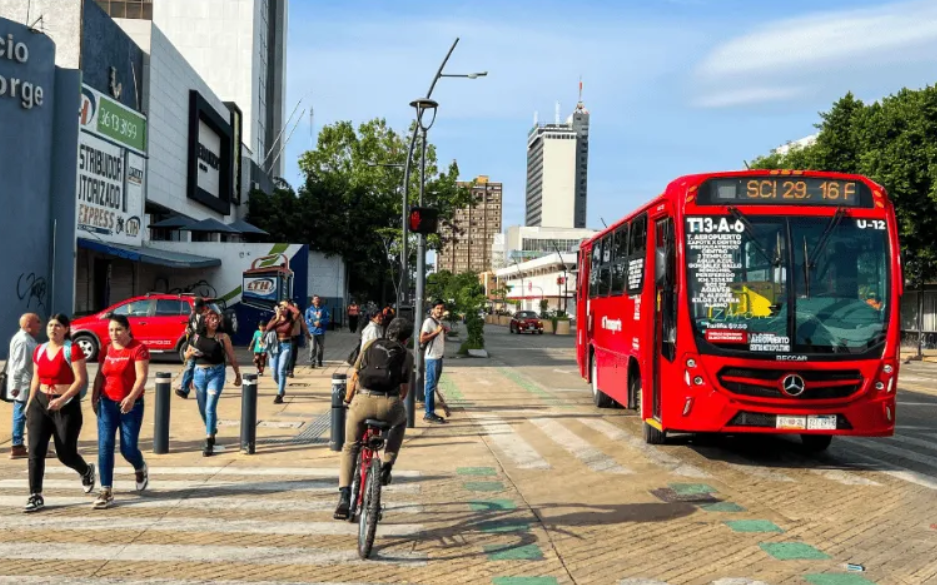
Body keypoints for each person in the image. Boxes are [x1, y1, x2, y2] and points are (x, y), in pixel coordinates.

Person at [334, 317, 413, 520]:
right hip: (390, 404)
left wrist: (347, 399)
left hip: (363, 402)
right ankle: (387, 465)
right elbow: (404, 391)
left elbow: (355, 376)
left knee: (351, 446)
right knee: (401, 421)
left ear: (387, 331)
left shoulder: (370, 344)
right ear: (406, 339)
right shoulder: (406, 354)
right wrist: (393, 402)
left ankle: (344, 497)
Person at [24, 314, 96, 513]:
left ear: (65, 329)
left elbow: (80, 380)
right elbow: (36, 379)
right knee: (35, 450)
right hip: (41, 403)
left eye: (57, 326)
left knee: (65, 453)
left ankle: (86, 470)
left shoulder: (71, 349)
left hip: (66, 405)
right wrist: (29, 405)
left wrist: (62, 400)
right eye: (50, 325)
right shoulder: (39, 350)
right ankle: (35, 494)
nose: (52, 329)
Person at [91, 314, 150, 509]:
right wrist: (94, 396)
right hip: (107, 404)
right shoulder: (106, 348)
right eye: (110, 330)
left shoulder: (138, 348)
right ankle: (106, 490)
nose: (114, 334)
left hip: (132, 405)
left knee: (128, 448)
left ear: (127, 330)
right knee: (105, 445)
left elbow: (141, 377)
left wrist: (132, 397)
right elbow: (101, 374)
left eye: (118, 329)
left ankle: (139, 466)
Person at [186, 308, 242, 456]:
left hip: (216, 374)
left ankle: (209, 439)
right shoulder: (196, 337)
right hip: (198, 374)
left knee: (210, 408)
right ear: (205, 321)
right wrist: (190, 355)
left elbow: (231, 356)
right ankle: (211, 426)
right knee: (202, 408)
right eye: (212, 319)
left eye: (217, 319)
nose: (215, 321)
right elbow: (187, 356)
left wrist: (237, 374)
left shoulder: (223, 337)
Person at [8, 313, 40, 459]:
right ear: (28, 326)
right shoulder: (24, 342)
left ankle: (20, 444)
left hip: (25, 384)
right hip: (25, 385)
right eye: (37, 322)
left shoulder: (26, 339)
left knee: (22, 414)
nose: (40, 325)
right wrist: (16, 385)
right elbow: (20, 366)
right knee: (24, 414)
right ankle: (19, 445)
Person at [420, 300, 448, 424]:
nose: (440, 310)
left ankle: (429, 410)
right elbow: (422, 338)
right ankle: (428, 413)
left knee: (432, 385)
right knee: (430, 386)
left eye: (441, 308)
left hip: (438, 357)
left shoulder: (438, 322)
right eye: (437, 308)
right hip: (432, 358)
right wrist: (437, 331)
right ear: (432, 310)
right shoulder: (428, 322)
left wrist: (442, 331)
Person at [266, 301, 300, 403]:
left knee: (281, 370)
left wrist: (288, 305)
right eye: (281, 308)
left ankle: (279, 394)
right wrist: (277, 318)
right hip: (275, 346)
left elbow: (297, 313)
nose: (283, 310)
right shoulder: (274, 318)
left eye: (284, 308)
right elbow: (267, 328)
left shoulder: (291, 320)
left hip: (286, 345)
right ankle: (281, 387)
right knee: (274, 373)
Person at [176, 298, 208, 399]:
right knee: (190, 367)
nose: (193, 310)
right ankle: (184, 389)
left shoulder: (207, 318)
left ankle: (206, 388)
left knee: (204, 369)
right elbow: (189, 327)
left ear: (202, 308)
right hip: (193, 345)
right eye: (193, 308)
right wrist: (188, 330)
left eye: (196, 308)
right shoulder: (192, 316)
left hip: (204, 347)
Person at [287, 299, 312, 378]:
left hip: (294, 337)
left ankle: (290, 370)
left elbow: (303, 324)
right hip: (284, 337)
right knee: (286, 354)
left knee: (293, 355)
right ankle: (285, 369)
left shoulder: (298, 314)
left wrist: (307, 333)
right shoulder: (284, 313)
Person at [305, 295, 330, 368]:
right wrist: (313, 323)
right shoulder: (309, 310)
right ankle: (312, 362)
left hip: (321, 331)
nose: (317, 301)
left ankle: (320, 360)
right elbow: (306, 320)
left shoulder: (324, 309)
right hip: (312, 331)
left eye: (318, 299)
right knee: (313, 347)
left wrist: (321, 322)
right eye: (315, 300)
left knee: (321, 348)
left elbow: (327, 318)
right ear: (312, 301)